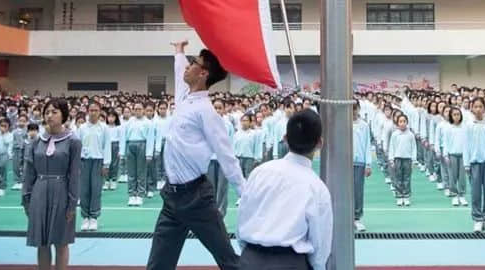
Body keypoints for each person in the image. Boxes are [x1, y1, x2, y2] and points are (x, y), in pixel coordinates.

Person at [146, 40, 245, 270]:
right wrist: (179, 51)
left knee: (228, 261)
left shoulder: (207, 112)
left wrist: (245, 193)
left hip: (197, 199)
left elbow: (226, 156)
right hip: (171, 198)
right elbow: (179, 71)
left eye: (193, 63)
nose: (188, 66)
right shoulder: (184, 99)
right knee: (158, 265)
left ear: (203, 73)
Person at [237, 109, 333, 270]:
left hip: (250, 259)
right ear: (320, 143)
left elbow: (243, 215)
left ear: (285, 139)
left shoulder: (260, 172)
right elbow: (320, 243)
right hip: (290, 263)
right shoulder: (317, 188)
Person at [22, 98, 82, 270]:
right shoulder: (36, 140)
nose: (50, 115)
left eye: (54, 112)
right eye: (47, 112)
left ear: (63, 114)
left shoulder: (73, 141)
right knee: (42, 242)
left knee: (61, 242)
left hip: (62, 191)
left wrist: (72, 203)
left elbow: (74, 174)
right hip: (39, 192)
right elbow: (29, 171)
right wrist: (26, 197)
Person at [463, 97, 485, 233]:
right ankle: (478, 219)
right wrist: (466, 164)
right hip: (474, 163)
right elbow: (465, 146)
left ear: (484, 109)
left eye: (480, 106)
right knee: (476, 192)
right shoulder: (468, 125)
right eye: (475, 106)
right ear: (472, 108)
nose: (478, 109)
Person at [77, 101, 111, 231]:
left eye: (96, 110)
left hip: (98, 161)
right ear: (87, 112)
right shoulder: (82, 128)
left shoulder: (104, 128)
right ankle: (85, 217)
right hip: (84, 161)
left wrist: (106, 164)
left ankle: (94, 217)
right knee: (84, 190)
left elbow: (107, 146)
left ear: (100, 111)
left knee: (96, 190)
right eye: (91, 110)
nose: (93, 113)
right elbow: (77, 146)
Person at [119, 101, 154, 206]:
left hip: (142, 145)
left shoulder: (148, 123)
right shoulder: (128, 122)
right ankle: (131, 195)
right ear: (133, 110)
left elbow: (150, 139)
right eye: (136, 109)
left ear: (143, 110)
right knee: (131, 172)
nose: (138, 111)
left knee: (141, 172)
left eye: (140, 109)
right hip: (130, 145)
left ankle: (140, 195)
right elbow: (123, 137)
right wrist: (122, 152)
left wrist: (149, 153)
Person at [352, 100, 372, 232]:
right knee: (344, 192)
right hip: (344, 163)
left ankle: (357, 218)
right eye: (351, 108)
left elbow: (367, 145)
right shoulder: (343, 123)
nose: (353, 111)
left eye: (355, 108)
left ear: (359, 109)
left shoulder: (364, 125)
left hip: (359, 162)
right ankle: (344, 217)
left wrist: (368, 164)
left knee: (358, 191)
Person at [389, 113, 416, 206]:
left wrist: (414, 160)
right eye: (400, 121)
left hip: (407, 159)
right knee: (398, 178)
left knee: (407, 178)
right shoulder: (395, 134)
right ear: (397, 123)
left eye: (404, 121)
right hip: (397, 159)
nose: (402, 123)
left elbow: (414, 148)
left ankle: (406, 196)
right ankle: (399, 196)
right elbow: (392, 147)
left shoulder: (411, 135)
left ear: (407, 122)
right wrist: (391, 159)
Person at [444, 107, 468, 206]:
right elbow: (446, 142)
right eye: (454, 114)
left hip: (463, 155)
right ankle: (454, 195)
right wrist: (446, 155)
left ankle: (462, 195)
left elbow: (467, 142)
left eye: (458, 114)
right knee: (452, 176)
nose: (456, 116)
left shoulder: (465, 127)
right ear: (451, 116)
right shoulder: (449, 128)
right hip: (452, 155)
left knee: (462, 177)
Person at [104, 111, 121, 191]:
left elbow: (121, 139)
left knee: (114, 163)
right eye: (109, 117)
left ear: (116, 118)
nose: (111, 119)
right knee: (106, 163)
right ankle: (107, 180)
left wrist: (120, 150)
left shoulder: (118, 128)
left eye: (113, 117)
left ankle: (113, 180)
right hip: (106, 145)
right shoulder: (105, 127)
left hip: (115, 144)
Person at [12, 114, 28, 190]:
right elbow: (12, 141)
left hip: (25, 150)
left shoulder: (28, 131)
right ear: (17, 122)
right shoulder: (14, 131)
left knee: (24, 166)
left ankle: (23, 181)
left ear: (27, 122)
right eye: (20, 121)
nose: (22, 122)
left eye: (24, 121)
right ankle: (17, 181)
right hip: (16, 149)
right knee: (16, 165)